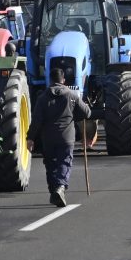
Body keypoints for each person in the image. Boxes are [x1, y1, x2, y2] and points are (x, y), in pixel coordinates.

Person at [26, 67, 92, 208]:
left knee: (50, 165)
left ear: (50, 80)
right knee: (64, 162)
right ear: (63, 80)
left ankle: (53, 191)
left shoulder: (43, 97)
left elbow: (36, 120)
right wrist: (81, 108)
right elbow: (87, 113)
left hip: (48, 138)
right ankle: (60, 187)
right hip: (66, 137)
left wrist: (30, 138)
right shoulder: (72, 95)